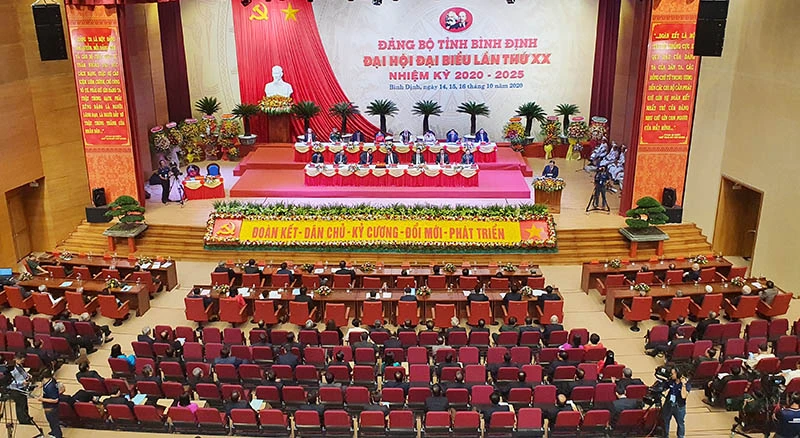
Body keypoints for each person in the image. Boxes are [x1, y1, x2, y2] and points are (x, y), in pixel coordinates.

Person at [662, 367, 690, 438]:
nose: (671, 375)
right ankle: (665, 435)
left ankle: (680, 436)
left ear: (678, 374)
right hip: (669, 404)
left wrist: (683, 384)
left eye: (673, 373)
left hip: (679, 407)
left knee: (680, 423)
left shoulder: (687, 384)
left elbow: (683, 396)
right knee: (665, 420)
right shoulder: (671, 381)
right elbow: (664, 388)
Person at [9, 354, 32, 424]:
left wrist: (27, 375)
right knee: (20, 405)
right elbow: (10, 382)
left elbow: (22, 372)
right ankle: (23, 420)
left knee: (24, 404)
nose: (23, 362)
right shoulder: (11, 368)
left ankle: (26, 417)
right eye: (22, 360)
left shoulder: (18, 365)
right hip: (16, 389)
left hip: (22, 388)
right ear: (17, 359)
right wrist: (22, 382)